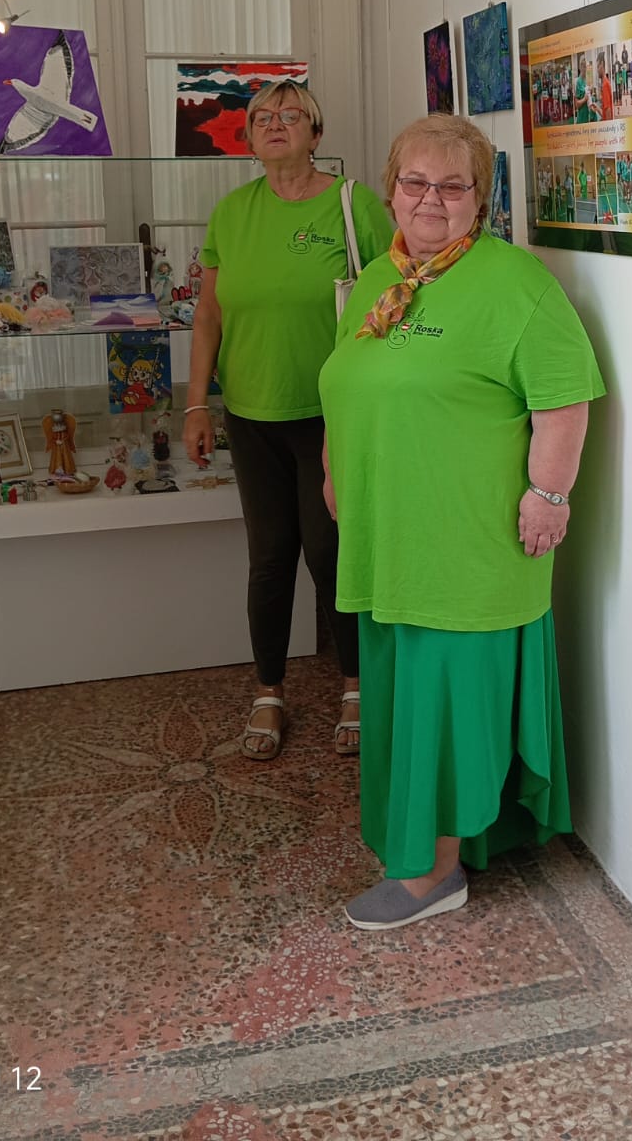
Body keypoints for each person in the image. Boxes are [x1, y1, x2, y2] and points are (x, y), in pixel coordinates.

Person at [318, 114, 605, 929]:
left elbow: (564, 403)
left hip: (468, 541)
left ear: (481, 198)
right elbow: (346, 383)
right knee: (406, 696)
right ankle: (447, 840)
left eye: (453, 185)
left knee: (444, 703)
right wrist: (337, 470)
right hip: (390, 536)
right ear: (390, 190)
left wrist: (549, 496)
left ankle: (432, 874)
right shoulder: (381, 277)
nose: (431, 199)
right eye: (415, 182)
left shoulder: (517, 284)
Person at [183, 81, 394, 760]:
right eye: (262, 118)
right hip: (251, 414)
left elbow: (395, 296)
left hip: (332, 416)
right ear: (248, 138)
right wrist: (196, 403)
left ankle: (356, 686)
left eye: (291, 114)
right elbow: (209, 314)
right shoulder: (231, 213)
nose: (276, 124)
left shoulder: (354, 204)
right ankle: (268, 692)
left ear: (316, 133)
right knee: (270, 559)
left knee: (331, 554)